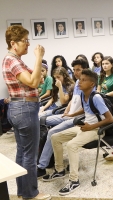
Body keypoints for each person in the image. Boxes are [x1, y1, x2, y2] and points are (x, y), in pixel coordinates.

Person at [42, 70, 113, 196]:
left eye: (83, 80)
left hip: (96, 130)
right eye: (80, 79)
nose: (79, 82)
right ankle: (59, 170)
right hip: (85, 126)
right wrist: (71, 114)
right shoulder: (82, 94)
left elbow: (110, 119)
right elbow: (85, 109)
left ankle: (74, 180)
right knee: (55, 137)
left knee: (71, 145)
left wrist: (91, 126)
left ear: (92, 84)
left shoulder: (96, 97)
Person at [2, 25, 50, 199]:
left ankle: (23, 191)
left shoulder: (15, 59)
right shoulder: (12, 60)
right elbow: (33, 82)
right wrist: (39, 58)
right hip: (25, 109)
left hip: (19, 108)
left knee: (22, 152)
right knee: (30, 154)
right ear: (13, 43)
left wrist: (36, 74)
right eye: (25, 41)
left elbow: (37, 78)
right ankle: (31, 193)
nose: (28, 45)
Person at [37, 59, 89, 178]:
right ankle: (45, 159)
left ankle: (42, 166)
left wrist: (72, 115)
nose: (75, 72)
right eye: (74, 70)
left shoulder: (88, 85)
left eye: (78, 70)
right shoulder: (77, 82)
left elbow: (87, 108)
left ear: (85, 70)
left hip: (77, 118)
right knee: (41, 120)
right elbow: (72, 100)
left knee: (52, 132)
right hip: (67, 115)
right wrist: (67, 111)